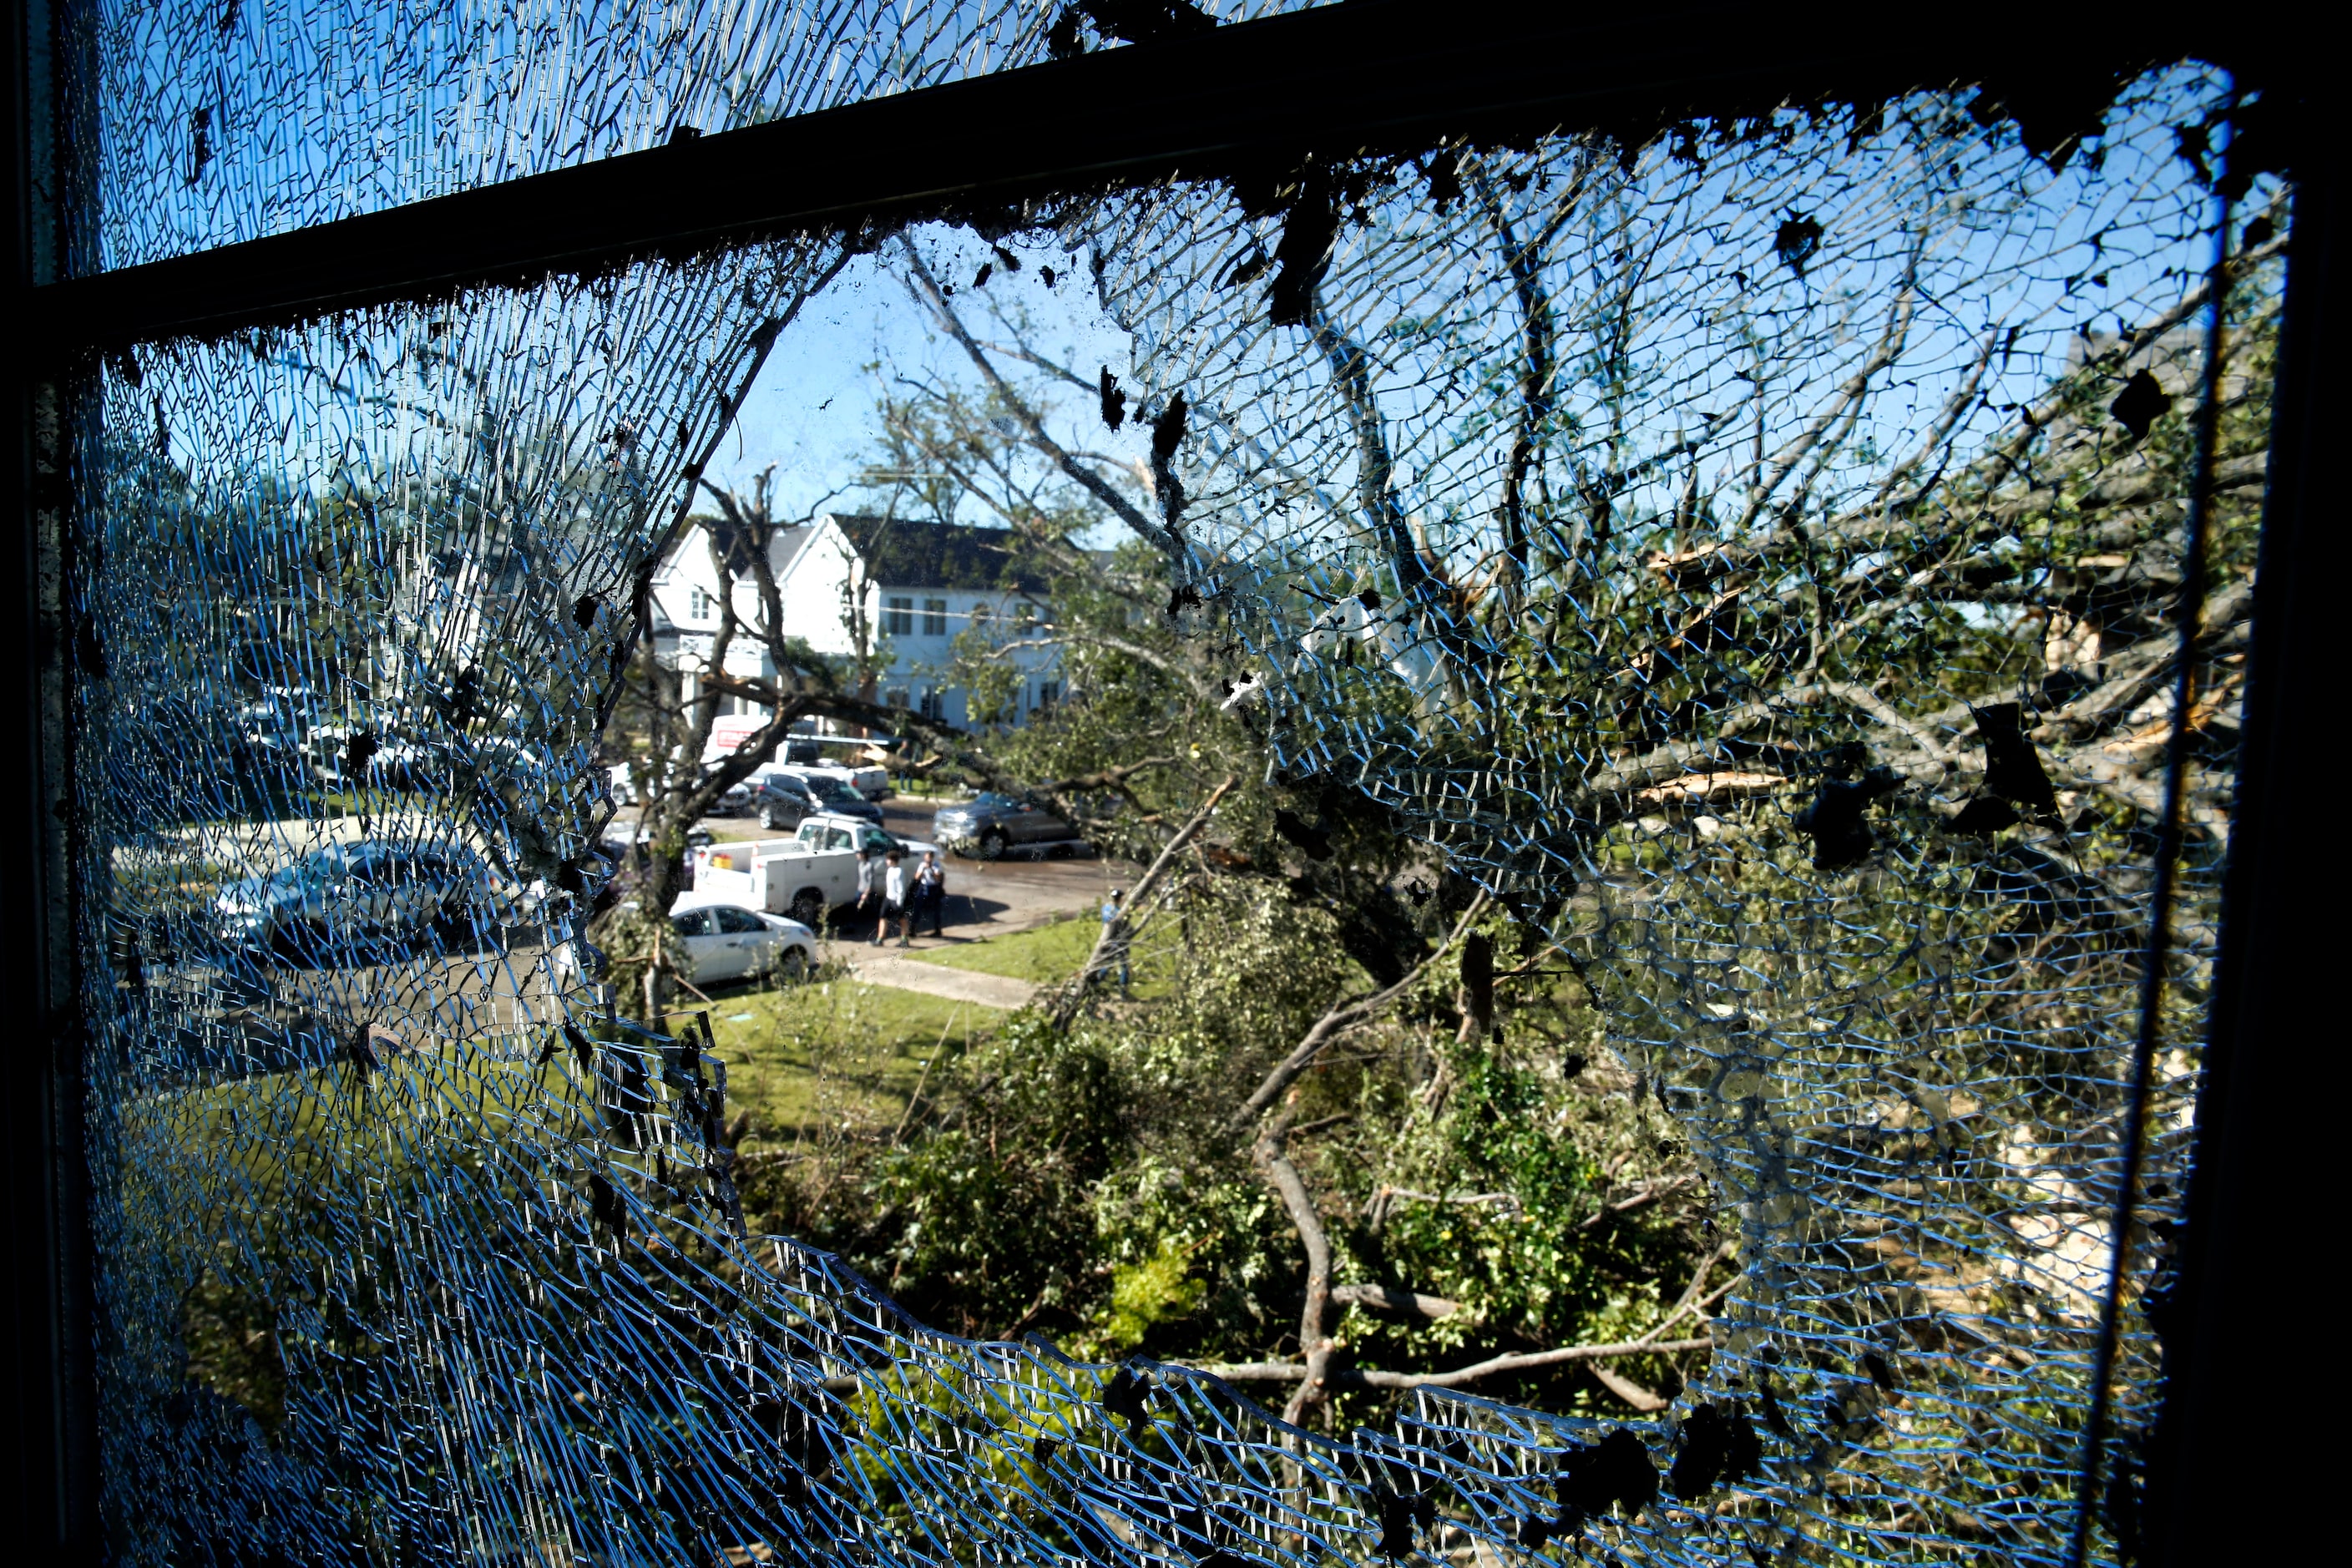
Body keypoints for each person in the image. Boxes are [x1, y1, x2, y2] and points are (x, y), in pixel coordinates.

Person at [876, 847, 912, 947]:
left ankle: (904, 940)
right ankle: (880, 939)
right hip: (888, 898)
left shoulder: (899, 871)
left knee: (902, 919)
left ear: (892, 860)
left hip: (897, 900)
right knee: (882, 917)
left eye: (888, 859)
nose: (886, 861)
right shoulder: (890, 870)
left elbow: (901, 888)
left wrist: (899, 902)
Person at [1098, 887, 1130, 994]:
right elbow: (1125, 926)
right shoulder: (1119, 913)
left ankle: (1097, 985)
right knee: (1124, 967)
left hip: (1107, 940)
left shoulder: (1105, 908)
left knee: (1106, 965)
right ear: (1120, 899)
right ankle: (1123, 993)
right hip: (1119, 941)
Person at [913, 849, 947, 938]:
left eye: (929, 858)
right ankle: (913, 929)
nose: (927, 860)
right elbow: (917, 877)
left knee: (936, 909)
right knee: (917, 907)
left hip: (933, 888)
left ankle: (938, 930)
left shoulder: (937, 865)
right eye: (926, 858)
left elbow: (938, 879)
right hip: (924, 887)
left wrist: (931, 869)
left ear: (932, 858)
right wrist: (924, 869)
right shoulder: (922, 865)